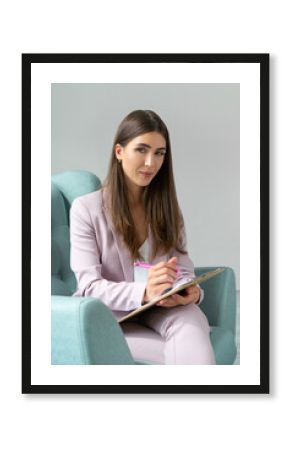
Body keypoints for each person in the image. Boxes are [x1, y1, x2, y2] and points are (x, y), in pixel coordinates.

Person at [70, 110, 215, 364]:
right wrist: (145, 292)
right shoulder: (86, 209)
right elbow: (89, 287)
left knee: (192, 317)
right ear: (119, 152)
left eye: (159, 153)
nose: (151, 163)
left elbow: (182, 269)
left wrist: (191, 291)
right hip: (112, 318)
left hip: (161, 309)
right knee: (189, 356)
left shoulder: (167, 208)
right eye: (141, 150)